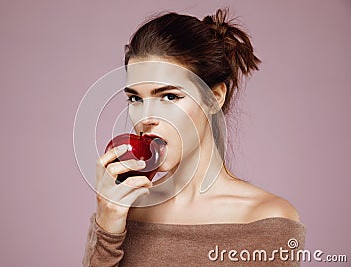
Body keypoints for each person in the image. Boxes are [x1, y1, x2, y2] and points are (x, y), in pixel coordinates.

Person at [83, 8, 306, 266]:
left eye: (169, 97)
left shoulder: (268, 219)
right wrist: (107, 227)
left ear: (214, 97)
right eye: (135, 99)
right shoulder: (120, 211)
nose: (145, 118)